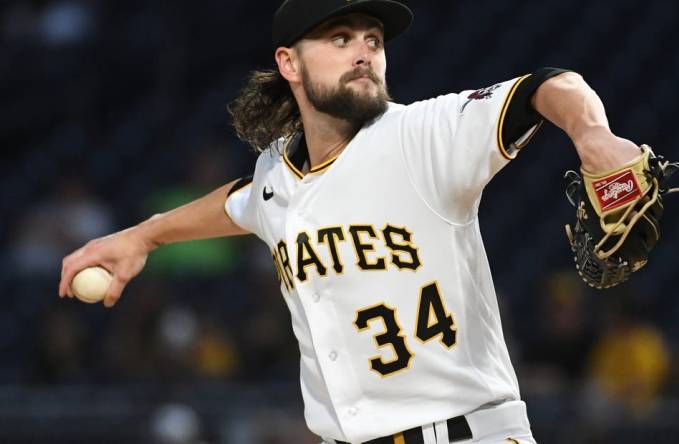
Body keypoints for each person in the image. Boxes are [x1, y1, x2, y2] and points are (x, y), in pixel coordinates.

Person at [59, 1, 643, 443]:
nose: (364, 51)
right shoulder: (278, 177)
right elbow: (242, 200)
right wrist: (144, 235)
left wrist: (592, 134)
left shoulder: (422, 135)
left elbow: (548, 87)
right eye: (340, 38)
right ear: (288, 62)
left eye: (373, 38)